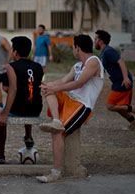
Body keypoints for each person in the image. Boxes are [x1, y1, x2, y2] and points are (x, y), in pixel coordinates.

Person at [38, 34, 104, 183]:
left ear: (78, 48)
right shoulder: (77, 66)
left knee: (57, 134)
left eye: (73, 47)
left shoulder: (93, 62)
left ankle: (56, 173)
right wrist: (49, 85)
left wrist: (55, 87)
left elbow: (78, 83)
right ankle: (56, 120)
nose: (73, 50)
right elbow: (63, 80)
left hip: (81, 105)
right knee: (49, 90)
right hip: (69, 100)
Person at [0, 36, 44, 164]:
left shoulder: (11, 66)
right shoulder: (38, 66)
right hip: (36, 109)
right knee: (29, 98)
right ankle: (28, 137)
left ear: (15, 52)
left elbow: (13, 89)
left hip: (19, 108)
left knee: (0, 121)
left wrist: (4, 113)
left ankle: (1, 156)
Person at [94, 30, 135, 131]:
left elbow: (121, 61)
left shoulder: (108, 51)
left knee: (110, 106)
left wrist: (125, 78)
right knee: (120, 107)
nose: (94, 41)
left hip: (122, 82)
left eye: (95, 39)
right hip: (118, 82)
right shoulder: (104, 53)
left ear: (101, 41)